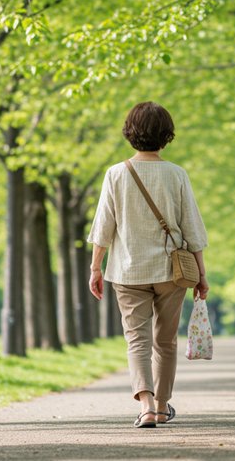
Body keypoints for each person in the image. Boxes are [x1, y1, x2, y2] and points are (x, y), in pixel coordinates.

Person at [88, 101, 209, 429]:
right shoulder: (176, 174)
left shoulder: (116, 173)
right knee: (165, 341)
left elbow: (103, 226)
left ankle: (145, 406)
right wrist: (201, 273)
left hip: (128, 271)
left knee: (137, 340)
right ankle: (161, 405)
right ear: (167, 135)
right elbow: (192, 228)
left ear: (130, 133)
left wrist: (96, 267)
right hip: (173, 271)